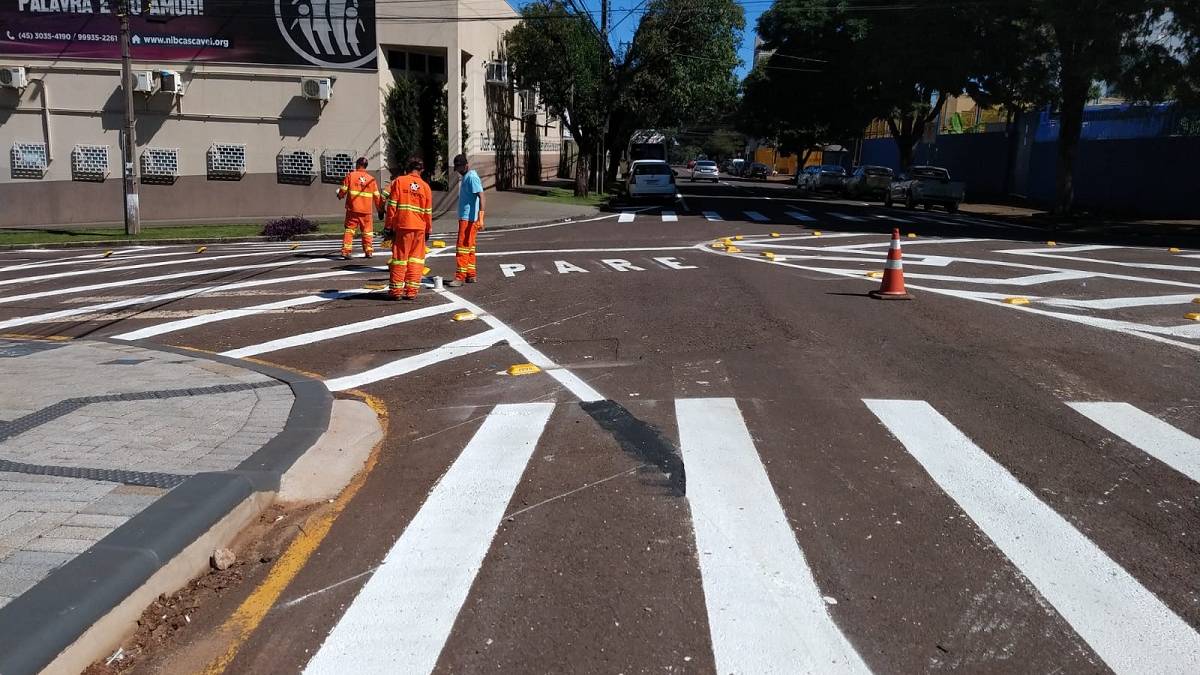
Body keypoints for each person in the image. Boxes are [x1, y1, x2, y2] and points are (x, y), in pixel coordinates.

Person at [383, 157, 433, 300]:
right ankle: (411, 291)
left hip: (403, 226)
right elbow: (428, 212)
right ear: (421, 170)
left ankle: (396, 291)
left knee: (399, 259)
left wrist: (388, 227)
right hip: (419, 228)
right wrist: (428, 229)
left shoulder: (400, 181)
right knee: (416, 260)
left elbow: (392, 206)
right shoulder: (425, 187)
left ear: (408, 168)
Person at [447, 154, 484, 287]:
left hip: (468, 219)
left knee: (462, 248)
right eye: (456, 168)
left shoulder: (472, 177)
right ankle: (470, 274)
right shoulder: (466, 177)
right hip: (468, 218)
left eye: (459, 167)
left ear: (465, 165)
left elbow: (481, 195)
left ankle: (459, 277)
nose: (458, 170)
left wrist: (481, 217)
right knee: (469, 248)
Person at [336, 157, 383, 260]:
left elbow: (343, 190)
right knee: (367, 232)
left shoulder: (351, 176)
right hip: (366, 211)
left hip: (353, 209)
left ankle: (346, 251)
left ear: (357, 165)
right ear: (366, 166)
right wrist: (380, 210)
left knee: (350, 230)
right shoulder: (371, 179)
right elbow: (377, 196)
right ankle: (368, 251)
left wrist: (340, 195)